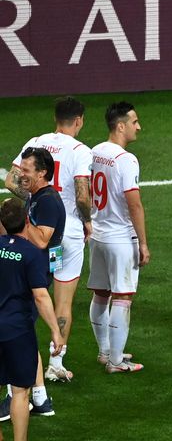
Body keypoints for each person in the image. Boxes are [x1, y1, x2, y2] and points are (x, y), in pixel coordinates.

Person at [6, 96, 91, 383]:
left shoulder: (36, 142)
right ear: (78, 120)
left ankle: (22, 353)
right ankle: (56, 363)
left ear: (56, 118)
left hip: (37, 231)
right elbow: (82, 194)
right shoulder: (80, 150)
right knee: (63, 300)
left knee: (30, 294)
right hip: (68, 236)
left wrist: (33, 200)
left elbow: (10, 181)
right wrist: (88, 221)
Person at [0, 198, 64, 441]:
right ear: (27, 220)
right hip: (16, 330)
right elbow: (40, 296)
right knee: (20, 391)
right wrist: (55, 332)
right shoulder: (30, 254)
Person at [1, 148, 64, 419]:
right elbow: (10, 183)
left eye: (27, 170)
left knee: (18, 338)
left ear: (42, 173)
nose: (21, 174)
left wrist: (15, 222)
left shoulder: (48, 201)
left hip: (33, 273)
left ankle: (19, 397)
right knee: (23, 335)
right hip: (29, 270)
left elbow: (41, 240)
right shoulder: (37, 196)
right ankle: (39, 397)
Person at [88, 102, 147, 374]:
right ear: (120, 125)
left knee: (101, 294)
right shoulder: (126, 159)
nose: (139, 127)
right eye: (134, 122)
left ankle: (105, 352)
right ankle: (115, 361)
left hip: (99, 235)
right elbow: (134, 204)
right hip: (121, 238)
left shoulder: (96, 151)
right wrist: (143, 243)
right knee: (122, 297)